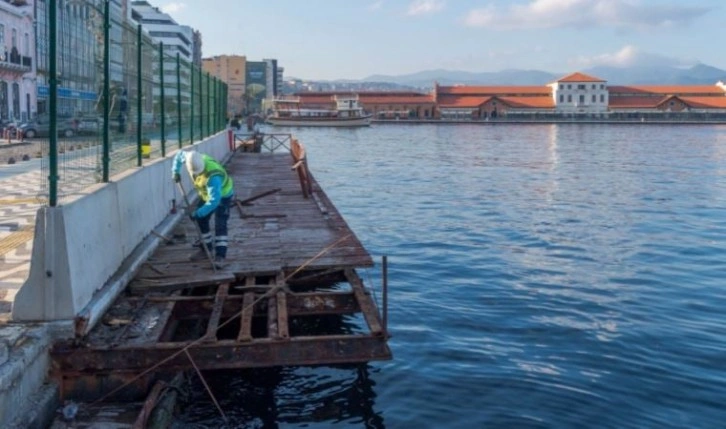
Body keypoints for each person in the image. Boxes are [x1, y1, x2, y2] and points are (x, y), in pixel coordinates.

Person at [172, 150, 234, 264]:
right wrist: (175, 171)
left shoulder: (213, 176)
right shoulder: (190, 158)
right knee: (201, 220)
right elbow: (178, 155)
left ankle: (220, 255)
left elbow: (214, 201)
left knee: (220, 223)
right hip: (206, 195)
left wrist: (198, 212)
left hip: (223, 195)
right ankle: (206, 248)